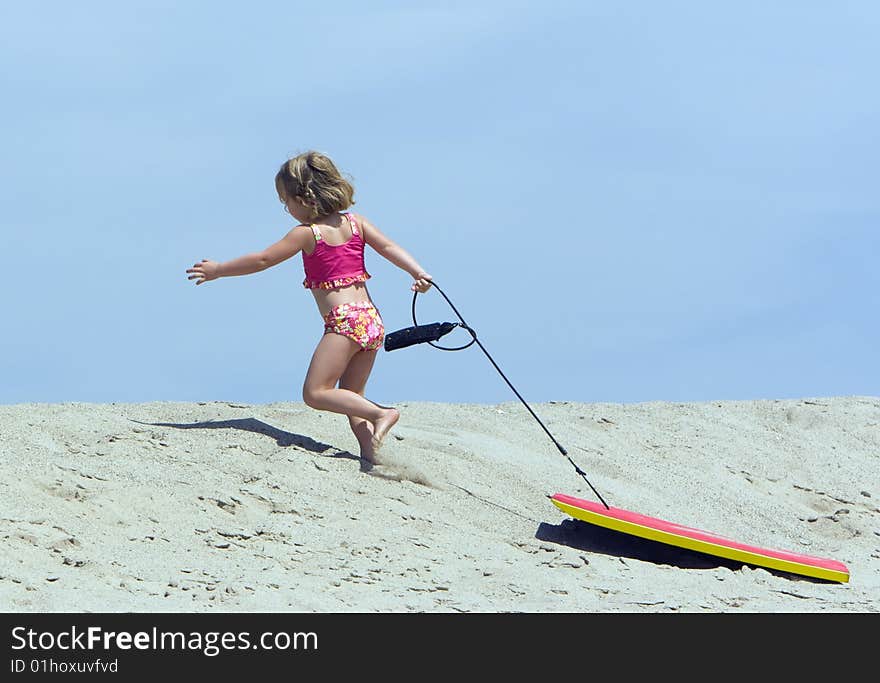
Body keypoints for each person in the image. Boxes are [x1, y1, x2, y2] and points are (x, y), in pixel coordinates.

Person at [186, 150, 432, 463]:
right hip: (372, 321)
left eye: (286, 201)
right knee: (349, 396)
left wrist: (219, 269)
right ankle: (374, 453)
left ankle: (382, 413)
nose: (286, 209)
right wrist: (418, 272)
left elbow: (263, 259)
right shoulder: (356, 223)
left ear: (305, 198)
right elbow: (389, 247)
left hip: (345, 323)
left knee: (316, 393)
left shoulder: (307, 234)